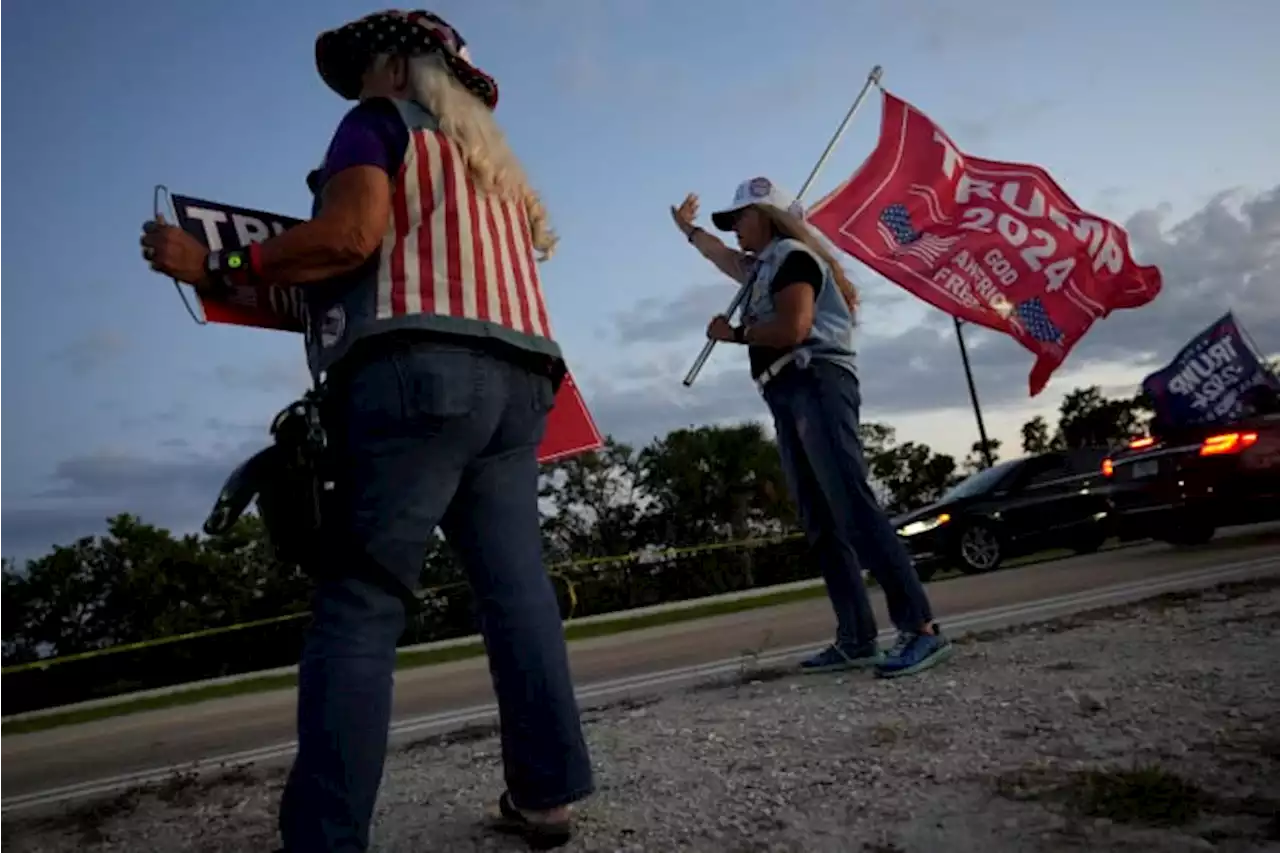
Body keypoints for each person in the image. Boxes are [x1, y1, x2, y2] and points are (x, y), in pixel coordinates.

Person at [141, 10, 592, 851]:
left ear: (393, 67)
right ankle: (548, 796)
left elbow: (349, 237)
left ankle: (325, 834)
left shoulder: (374, 124)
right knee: (517, 592)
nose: (353, 87)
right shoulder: (497, 174)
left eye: (361, 70)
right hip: (523, 378)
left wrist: (218, 264)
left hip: (416, 374)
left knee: (359, 603)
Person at [669, 177, 953, 680]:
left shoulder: (794, 258)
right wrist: (687, 231)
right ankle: (856, 637)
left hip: (813, 380)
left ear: (770, 217)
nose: (734, 228)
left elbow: (794, 328)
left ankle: (921, 629)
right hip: (785, 391)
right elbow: (718, 256)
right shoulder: (762, 269)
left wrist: (734, 334)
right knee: (822, 522)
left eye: (741, 217)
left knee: (851, 504)